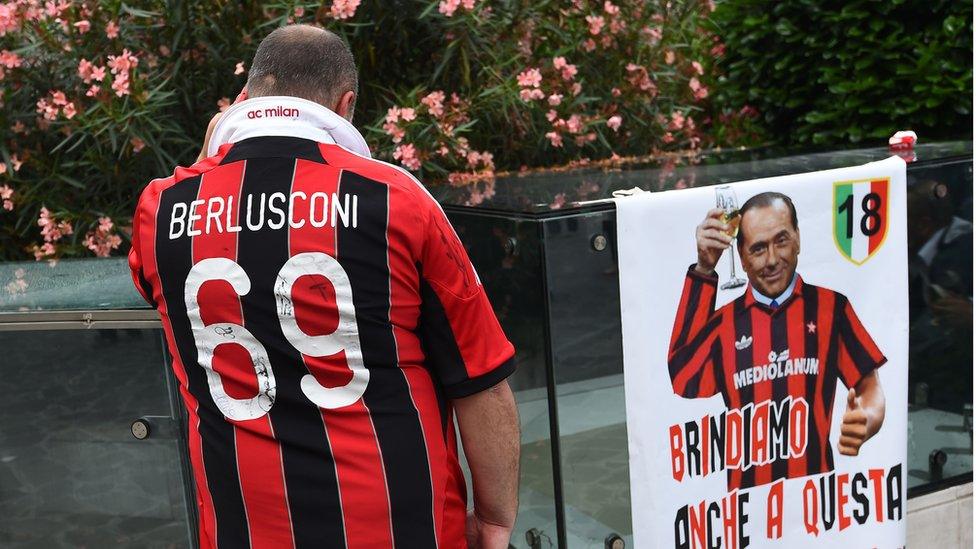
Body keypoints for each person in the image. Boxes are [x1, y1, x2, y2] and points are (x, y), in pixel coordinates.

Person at [128, 25, 520, 549]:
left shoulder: (161, 208)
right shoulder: (397, 199)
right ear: (346, 102)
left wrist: (207, 162)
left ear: (244, 98)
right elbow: (482, 378)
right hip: (402, 524)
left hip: (243, 525)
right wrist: (494, 519)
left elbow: (153, 285)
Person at [667, 191, 886, 490]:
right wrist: (704, 269)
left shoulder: (832, 308)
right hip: (748, 507)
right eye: (758, 249)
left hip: (817, 499)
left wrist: (867, 417)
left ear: (798, 239)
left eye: (781, 241)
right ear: (741, 257)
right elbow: (683, 380)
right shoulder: (724, 325)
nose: (772, 259)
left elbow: (868, 385)